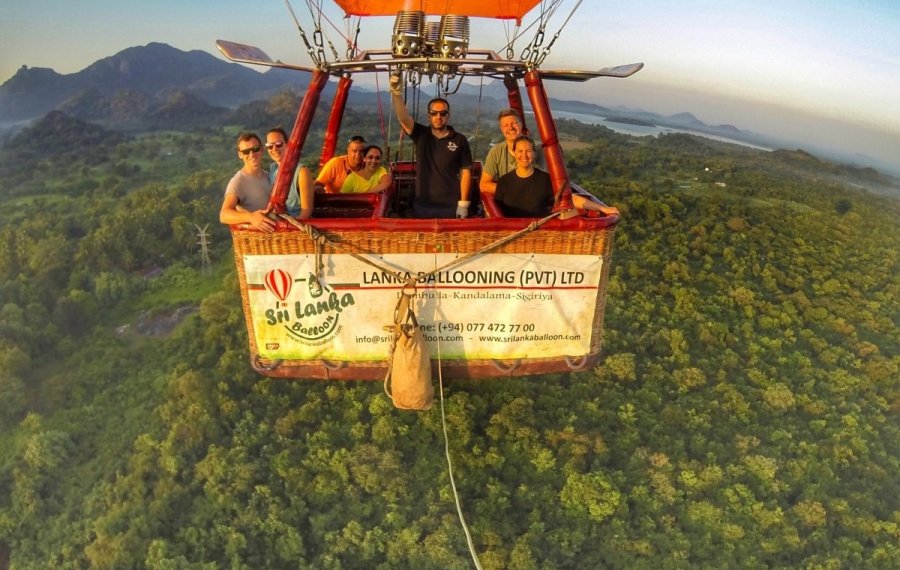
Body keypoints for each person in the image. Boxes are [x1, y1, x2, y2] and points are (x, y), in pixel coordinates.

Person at [389, 74, 473, 218]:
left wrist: (463, 204)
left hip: (450, 205)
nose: (438, 117)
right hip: (423, 204)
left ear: (448, 115)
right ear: (429, 116)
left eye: (443, 113)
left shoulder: (459, 140)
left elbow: (465, 172)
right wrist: (396, 94)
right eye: (434, 113)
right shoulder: (421, 134)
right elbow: (403, 117)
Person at [494, 135, 618, 218]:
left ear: (534, 154)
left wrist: (602, 208)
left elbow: (570, 198)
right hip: (511, 238)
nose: (524, 155)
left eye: (528, 151)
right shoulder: (504, 181)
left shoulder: (545, 180)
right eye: (520, 151)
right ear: (514, 153)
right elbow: (496, 211)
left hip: (539, 235)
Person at [219, 132, 276, 232]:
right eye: (246, 151)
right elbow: (224, 215)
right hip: (258, 241)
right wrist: (251, 217)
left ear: (262, 149)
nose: (251, 154)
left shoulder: (269, 175)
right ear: (240, 154)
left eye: (255, 149)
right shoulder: (238, 181)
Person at [479, 108, 540, 194]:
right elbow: (484, 185)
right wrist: (512, 190)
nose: (510, 128)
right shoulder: (496, 152)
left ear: (521, 124)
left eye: (514, 123)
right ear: (502, 129)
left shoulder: (538, 151)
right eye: (506, 125)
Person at [265, 127, 314, 218]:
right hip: (280, 223)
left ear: (287, 145)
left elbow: (307, 211)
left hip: (297, 224)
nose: (274, 148)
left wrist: (293, 228)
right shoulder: (273, 168)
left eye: (278, 144)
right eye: (270, 146)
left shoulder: (301, 172)